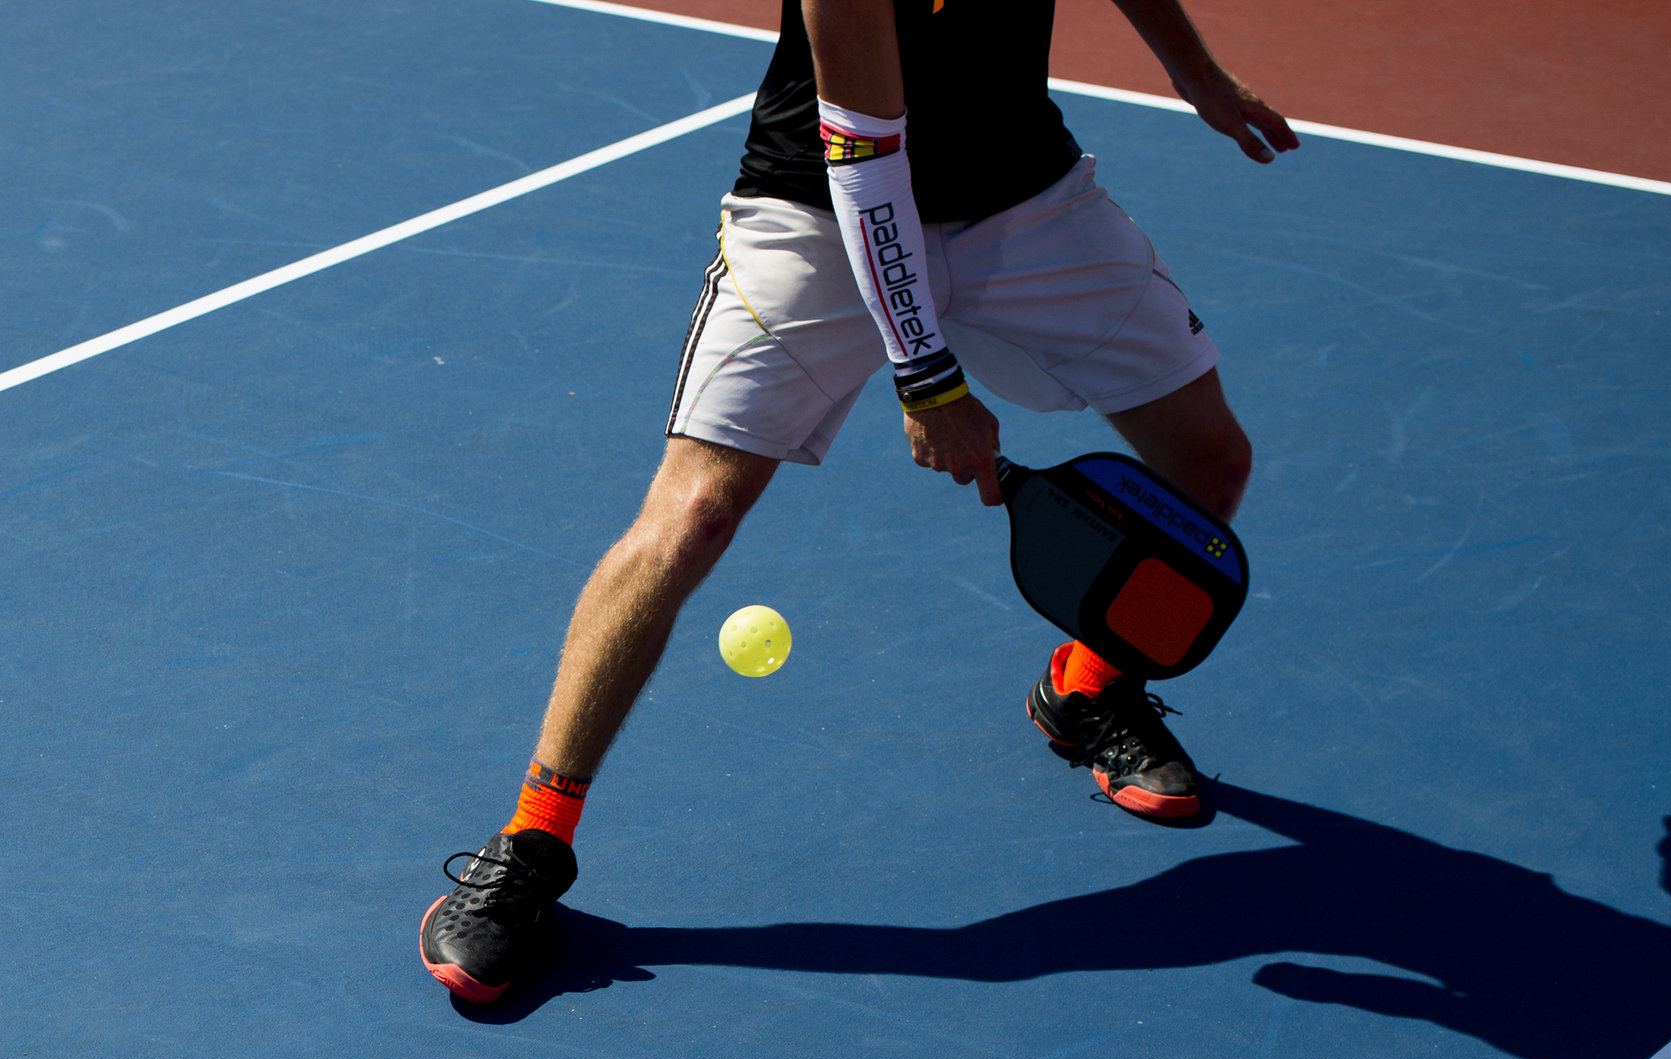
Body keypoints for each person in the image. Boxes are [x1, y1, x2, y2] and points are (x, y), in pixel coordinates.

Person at [421, 0, 1297, 1003]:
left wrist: (1196, 74)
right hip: (817, 212)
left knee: (1208, 464)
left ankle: (1086, 684)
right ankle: (536, 835)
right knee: (693, 511)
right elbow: (868, 161)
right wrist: (926, 377)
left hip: (1023, 198)